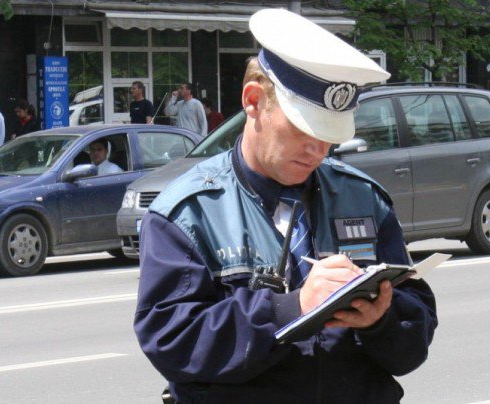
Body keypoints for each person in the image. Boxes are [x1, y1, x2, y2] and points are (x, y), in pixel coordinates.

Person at [135, 8, 437, 403]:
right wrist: (290, 308)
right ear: (254, 101)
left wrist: (382, 318)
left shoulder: (364, 198)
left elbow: (413, 341)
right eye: (304, 129)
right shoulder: (188, 212)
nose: (317, 150)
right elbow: (172, 340)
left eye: (329, 136)